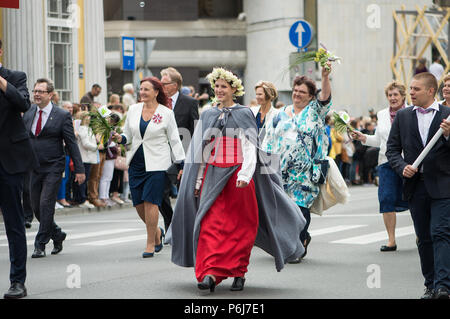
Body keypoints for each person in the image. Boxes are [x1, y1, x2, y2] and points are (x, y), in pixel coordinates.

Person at [167, 67, 306, 292]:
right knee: (210, 226)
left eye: (224, 86)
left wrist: (244, 174)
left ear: (233, 88)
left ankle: (239, 272)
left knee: (240, 229)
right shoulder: (208, 114)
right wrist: (197, 181)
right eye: (217, 86)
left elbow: (250, 147)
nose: (219, 90)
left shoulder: (244, 113)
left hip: (238, 179)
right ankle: (210, 274)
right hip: (213, 177)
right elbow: (202, 152)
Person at [386, 72, 450, 299]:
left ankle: (444, 286)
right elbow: (392, 150)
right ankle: (431, 285)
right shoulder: (402, 116)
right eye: (410, 88)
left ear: (431, 91)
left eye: (415, 89)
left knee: (441, 233)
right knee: (424, 237)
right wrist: (401, 166)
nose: (410, 92)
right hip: (415, 186)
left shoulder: (447, 115)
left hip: (443, 185)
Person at [263, 63, 332, 263]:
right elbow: (269, 139)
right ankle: (293, 241)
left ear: (311, 96)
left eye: (302, 92)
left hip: (305, 173)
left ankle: (297, 243)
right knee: (281, 210)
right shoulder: (279, 114)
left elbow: (326, 99)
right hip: (280, 172)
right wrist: (265, 165)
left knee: (300, 209)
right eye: (295, 90)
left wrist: (325, 77)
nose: (297, 94)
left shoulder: (314, 112)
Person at [113, 76, 185, 258]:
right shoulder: (133, 109)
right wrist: (119, 138)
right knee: (138, 204)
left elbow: (175, 140)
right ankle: (157, 233)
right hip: (136, 162)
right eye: (141, 89)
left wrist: (182, 163)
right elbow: (127, 135)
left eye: (146, 89)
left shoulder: (166, 113)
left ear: (156, 92)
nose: (142, 93)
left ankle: (150, 244)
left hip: (157, 163)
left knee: (151, 202)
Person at [23, 78, 85, 258]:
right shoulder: (29, 112)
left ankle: (40, 243)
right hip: (33, 166)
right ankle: (57, 234)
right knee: (36, 207)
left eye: (40, 91)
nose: (36, 94)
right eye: (35, 91)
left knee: (46, 203)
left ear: (50, 95)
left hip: (53, 165)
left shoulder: (61, 115)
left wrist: (79, 169)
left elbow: (71, 143)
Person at [0, 39, 38, 299]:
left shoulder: (15, 77)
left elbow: (23, 104)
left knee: (14, 224)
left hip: (9, 161)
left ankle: (17, 282)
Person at [352, 81, 409, 251]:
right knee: (386, 199)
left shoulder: (411, 112)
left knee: (415, 199)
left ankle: (421, 234)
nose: (392, 98)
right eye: (389, 95)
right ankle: (391, 240)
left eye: (395, 95)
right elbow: (378, 140)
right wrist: (363, 137)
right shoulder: (383, 114)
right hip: (386, 162)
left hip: (408, 162)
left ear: (403, 96)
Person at [160, 67, 199, 231]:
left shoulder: (189, 103)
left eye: (164, 84)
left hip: (183, 156)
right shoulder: (158, 104)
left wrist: (190, 158)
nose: (161, 87)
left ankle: (188, 226)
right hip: (161, 155)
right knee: (161, 192)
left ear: (175, 85)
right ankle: (170, 224)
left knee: (185, 195)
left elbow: (196, 130)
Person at [72, 111, 97, 209]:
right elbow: (86, 143)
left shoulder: (88, 128)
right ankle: (81, 199)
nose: (89, 118)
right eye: (87, 117)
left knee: (85, 179)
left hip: (87, 157)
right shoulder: (82, 129)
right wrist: (96, 147)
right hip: (84, 157)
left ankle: (83, 197)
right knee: (82, 179)